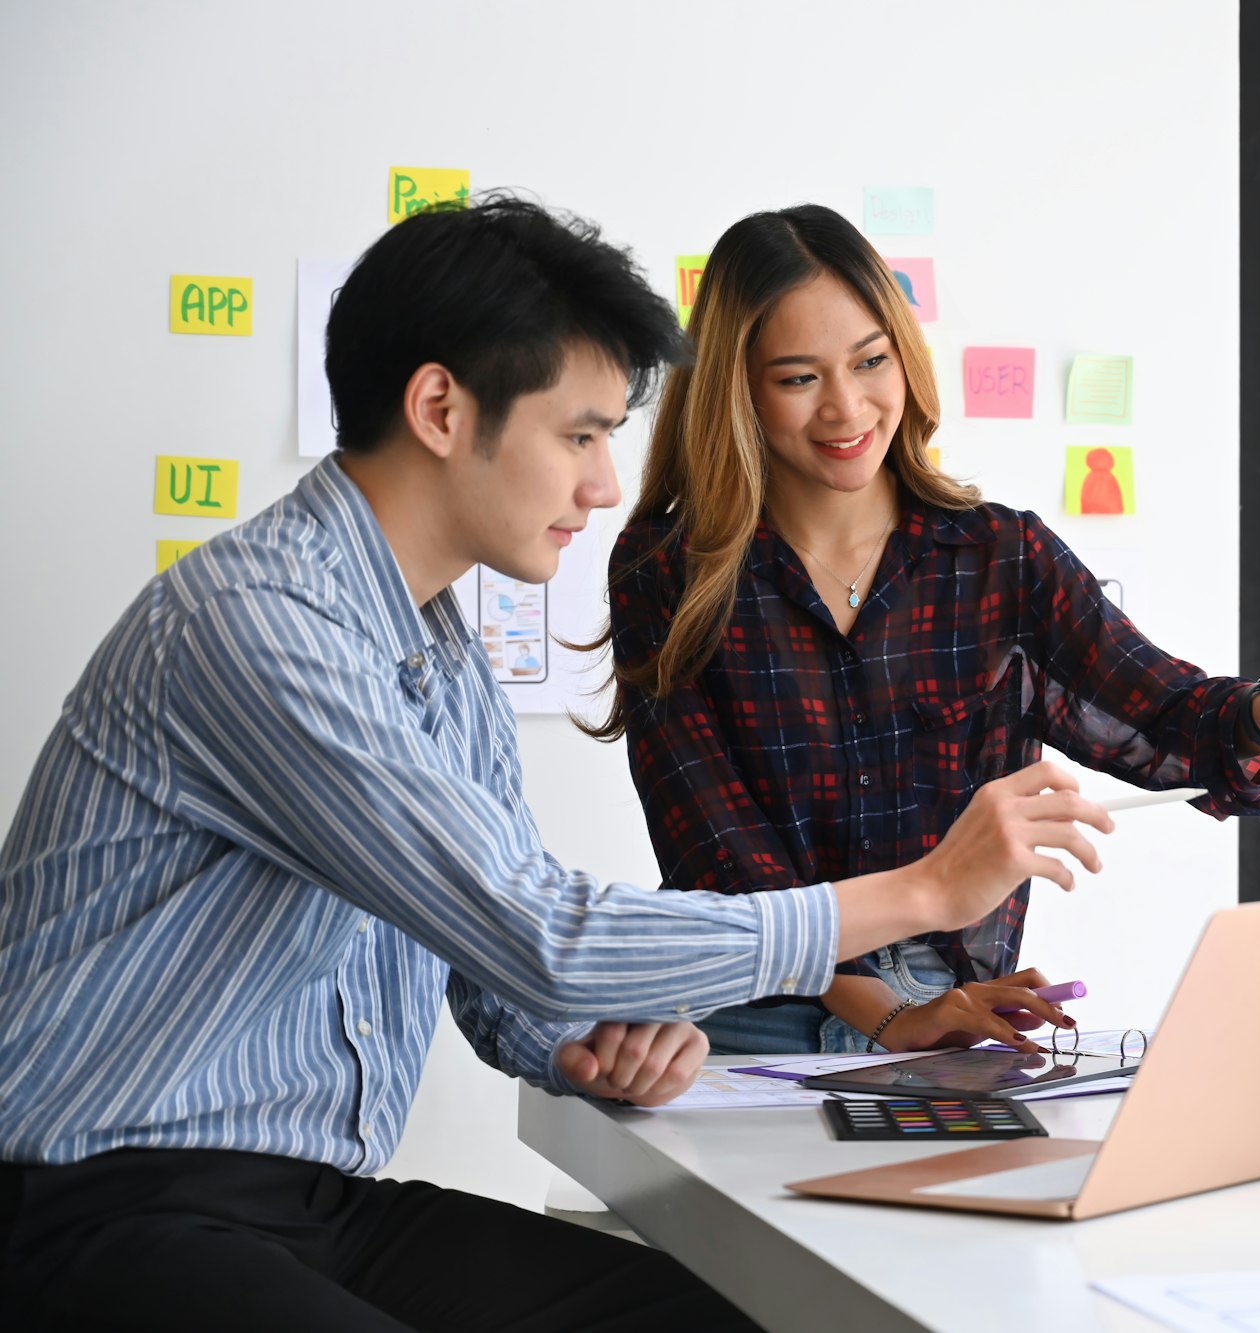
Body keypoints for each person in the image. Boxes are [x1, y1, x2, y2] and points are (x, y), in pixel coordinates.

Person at [0, 197, 1109, 1331]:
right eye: (579, 434)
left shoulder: (436, 652)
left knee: (738, 1314)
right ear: (440, 408)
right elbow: (539, 928)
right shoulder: (259, 624)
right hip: (104, 1208)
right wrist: (919, 893)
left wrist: (582, 1044)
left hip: (315, 1202)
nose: (603, 484)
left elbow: (504, 983)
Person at [591, 203, 1260, 1058]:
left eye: (871, 361)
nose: (846, 407)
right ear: (739, 388)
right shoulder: (668, 570)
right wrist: (883, 1012)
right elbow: (717, 853)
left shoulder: (998, 555)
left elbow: (1156, 705)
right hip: (745, 1014)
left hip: (948, 1012)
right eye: (798, 378)